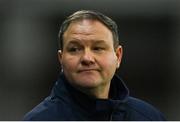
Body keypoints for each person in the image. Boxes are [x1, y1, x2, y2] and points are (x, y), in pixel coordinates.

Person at [23, 10, 165, 120]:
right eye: (74, 49)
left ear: (118, 56)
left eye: (98, 48)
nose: (87, 58)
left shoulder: (150, 117)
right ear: (61, 59)